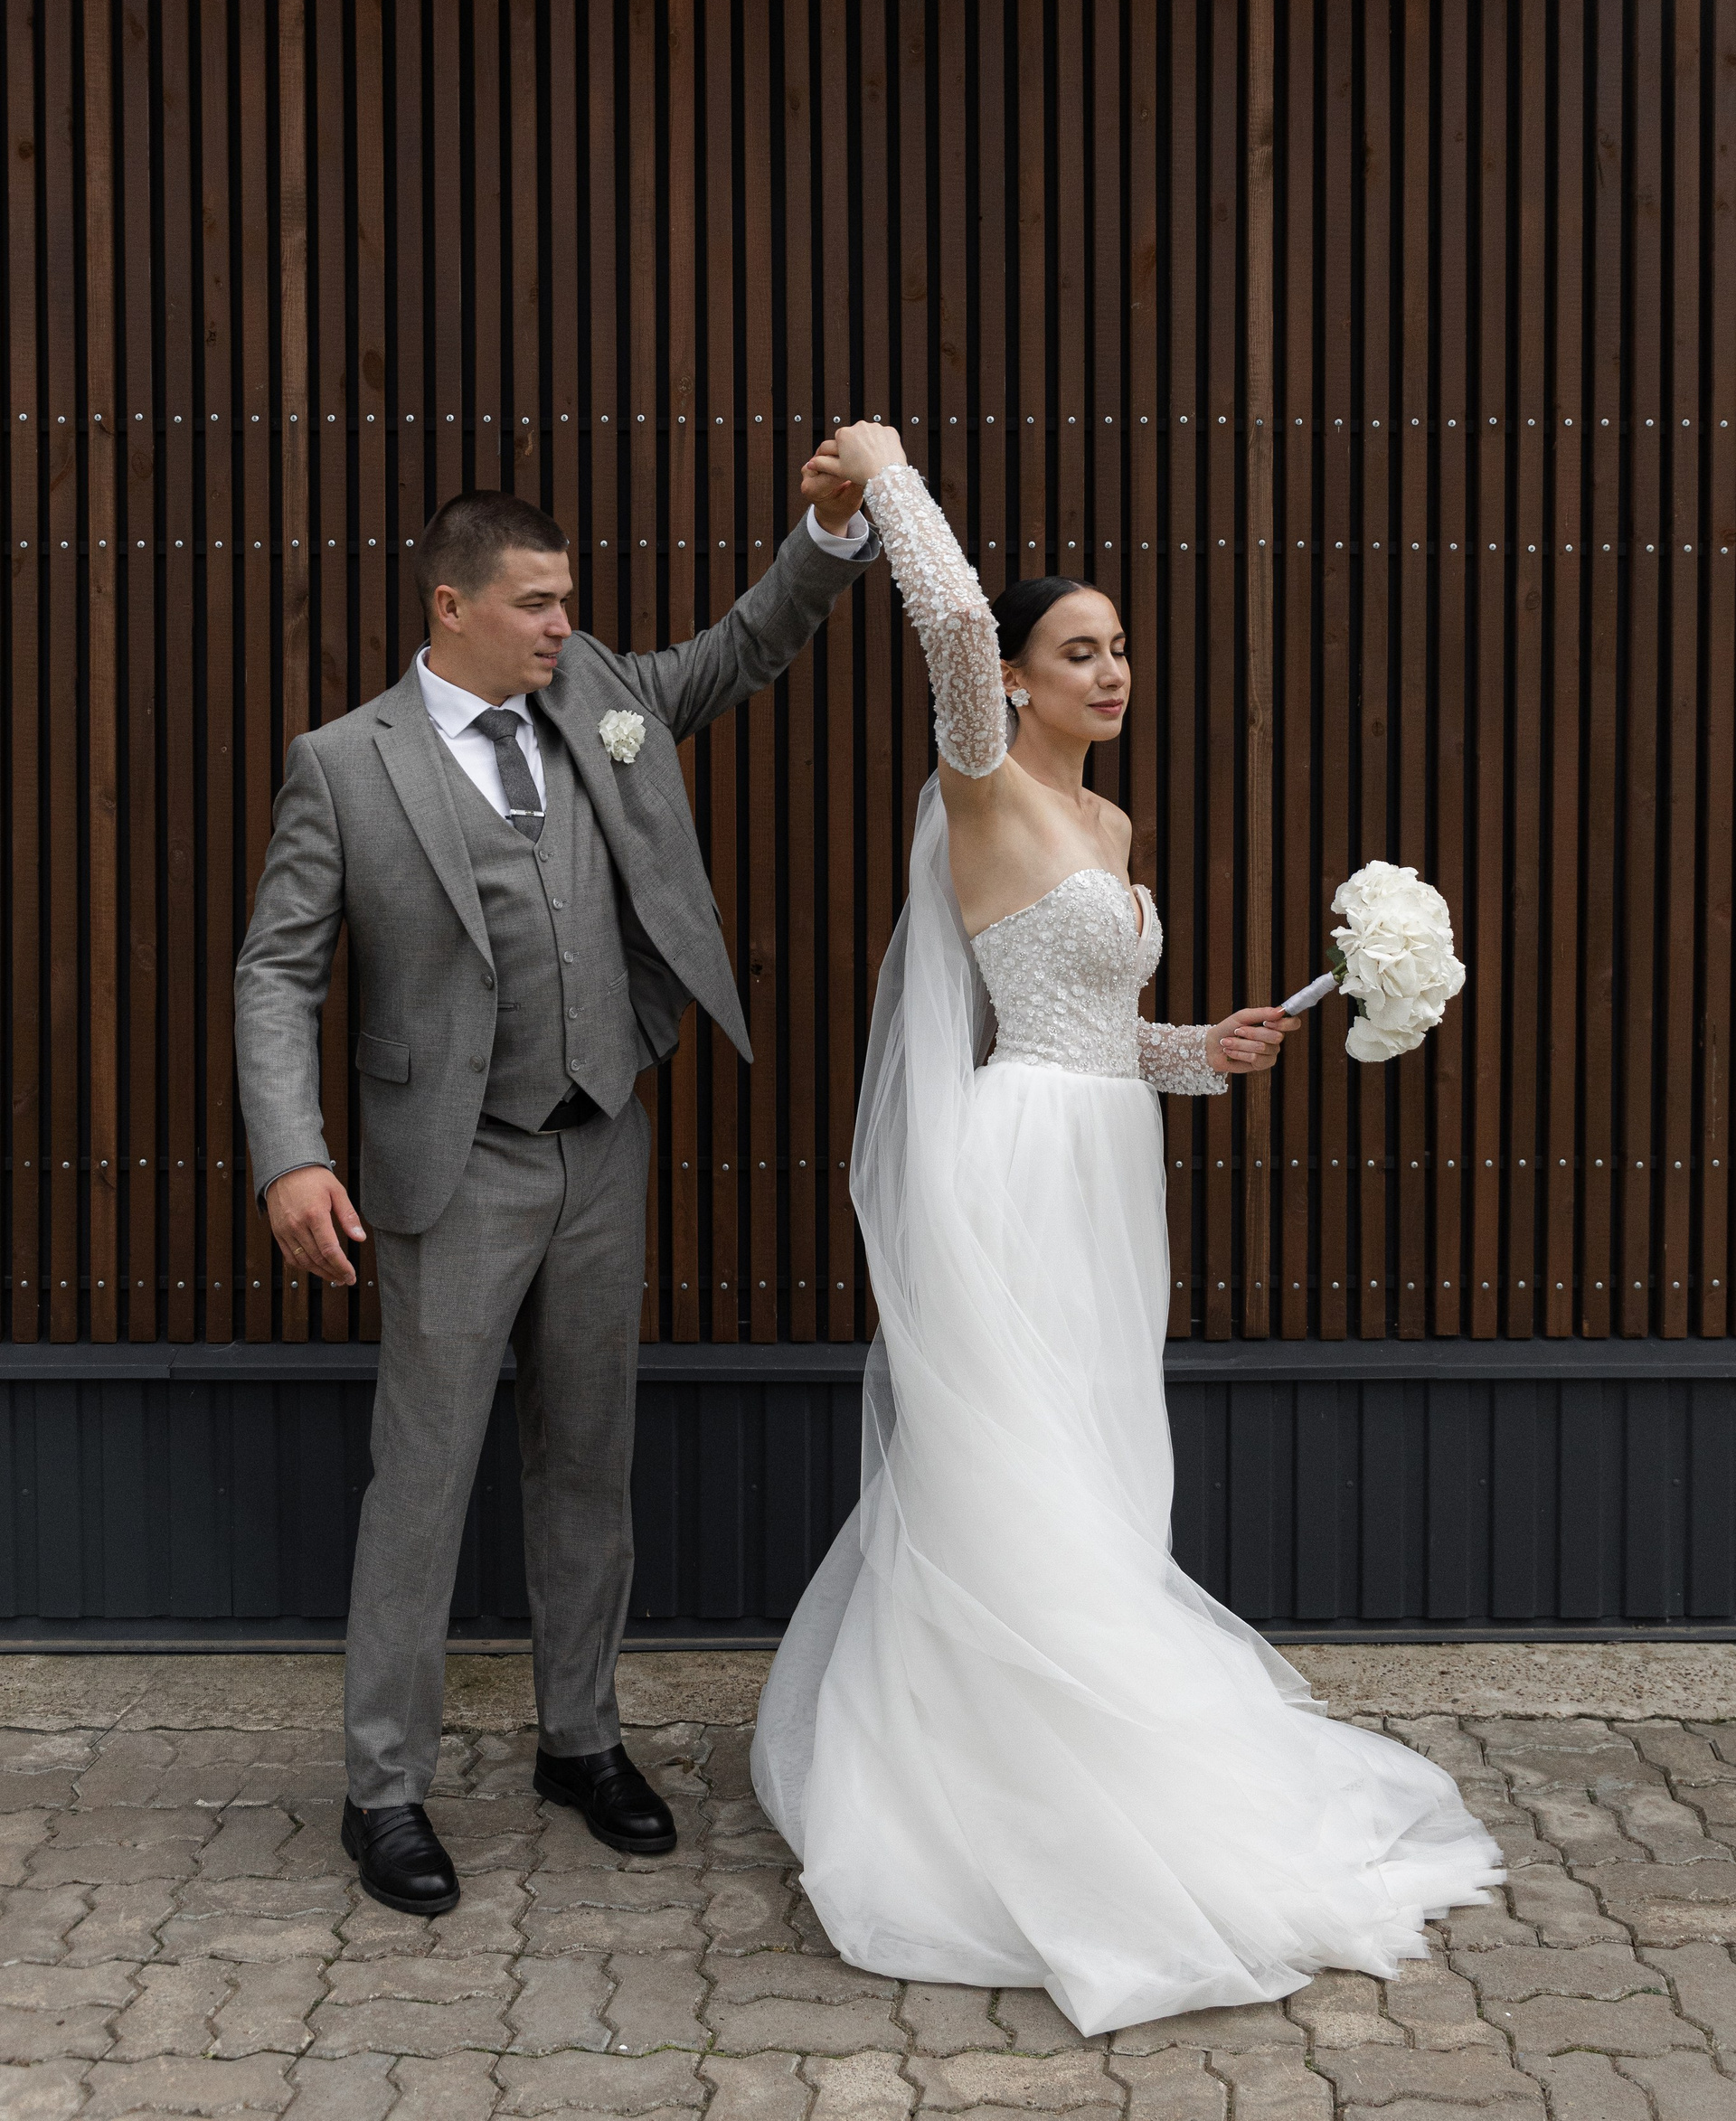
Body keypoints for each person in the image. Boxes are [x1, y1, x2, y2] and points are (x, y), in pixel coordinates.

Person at [751, 424, 1504, 2035]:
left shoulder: (1113, 834)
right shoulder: (981, 783)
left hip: (1107, 1162)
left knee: (1095, 1459)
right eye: (1078, 651)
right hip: (1019, 1167)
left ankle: (1087, 1731)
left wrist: (1204, 1051)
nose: (1110, 672)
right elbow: (952, 617)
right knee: (1014, 1461)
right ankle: (1006, 1785)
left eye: (1118, 649)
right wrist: (884, 471)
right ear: (1017, 682)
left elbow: (1099, 1033)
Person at [234, 467, 877, 1918]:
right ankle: (383, 1787)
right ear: (449, 605)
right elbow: (277, 971)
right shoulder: (343, 764)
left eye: (568, 598)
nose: (562, 624)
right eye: (536, 602)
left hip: (602, 1141)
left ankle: (579, 1738)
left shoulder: (597, 693)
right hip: (452, 1161)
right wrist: (292, 1151)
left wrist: (831, 534)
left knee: (587, 1459)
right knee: (424, 1478)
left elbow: (743, 646)